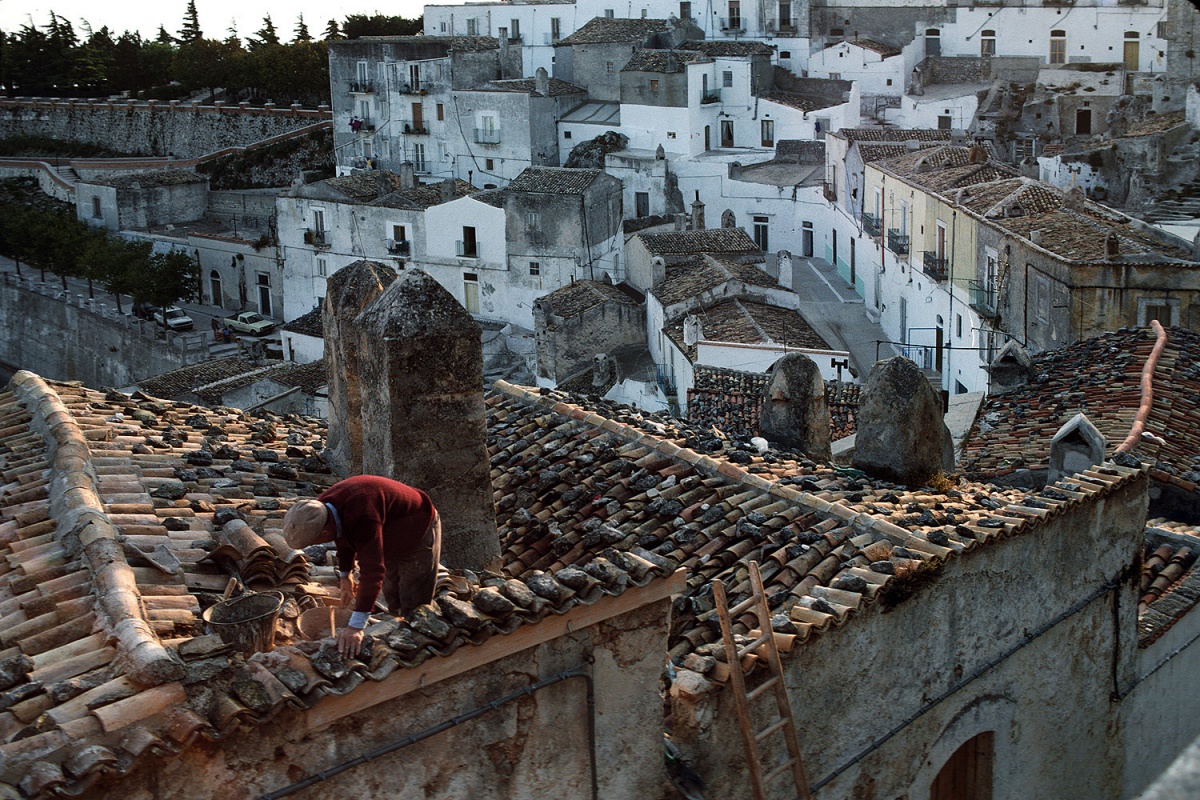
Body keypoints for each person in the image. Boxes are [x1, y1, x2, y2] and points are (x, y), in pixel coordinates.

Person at [283, 475, 444, 659]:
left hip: (418, 524)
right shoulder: (319, 511)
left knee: (414, 601)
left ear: (325, 532)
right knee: (392, 593)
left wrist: (355, 627)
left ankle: (420, 651)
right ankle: (396, 631)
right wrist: (345, 575)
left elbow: (373, 573)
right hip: (388, 528)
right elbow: (342, 535)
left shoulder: (363, 517)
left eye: (315, 541)